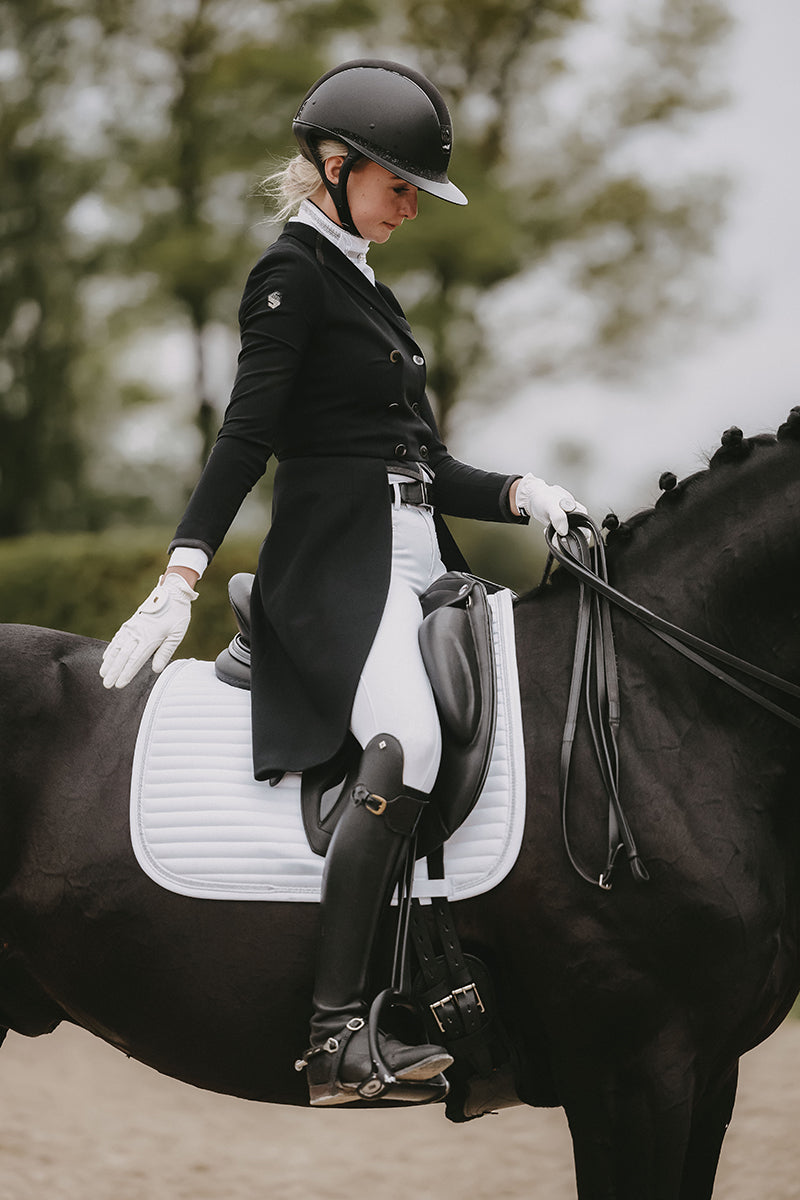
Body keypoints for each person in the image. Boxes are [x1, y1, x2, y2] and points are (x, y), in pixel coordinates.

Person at [100, 58, 585, 1107]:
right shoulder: (291, 277)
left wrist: (519, 493)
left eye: (415, 190)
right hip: (338, 576)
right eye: (398, 185)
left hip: (419, 566)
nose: (409, 206)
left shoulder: (368, 286)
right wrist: (182, 568)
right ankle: (334, 1036)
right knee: (404, 742)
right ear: (335, 166)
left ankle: (457, 984)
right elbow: (247, 433)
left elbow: (419, 458)